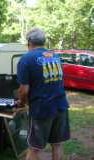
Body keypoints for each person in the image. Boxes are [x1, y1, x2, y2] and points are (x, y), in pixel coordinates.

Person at [17, 28, 70, 160]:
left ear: (29, 42)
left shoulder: (26, 59)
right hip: (61, 106)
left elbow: (24, 90)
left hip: (42, 109)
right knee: (57, 144)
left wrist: (21, 103)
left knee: (34, 148)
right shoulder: (55, 56)